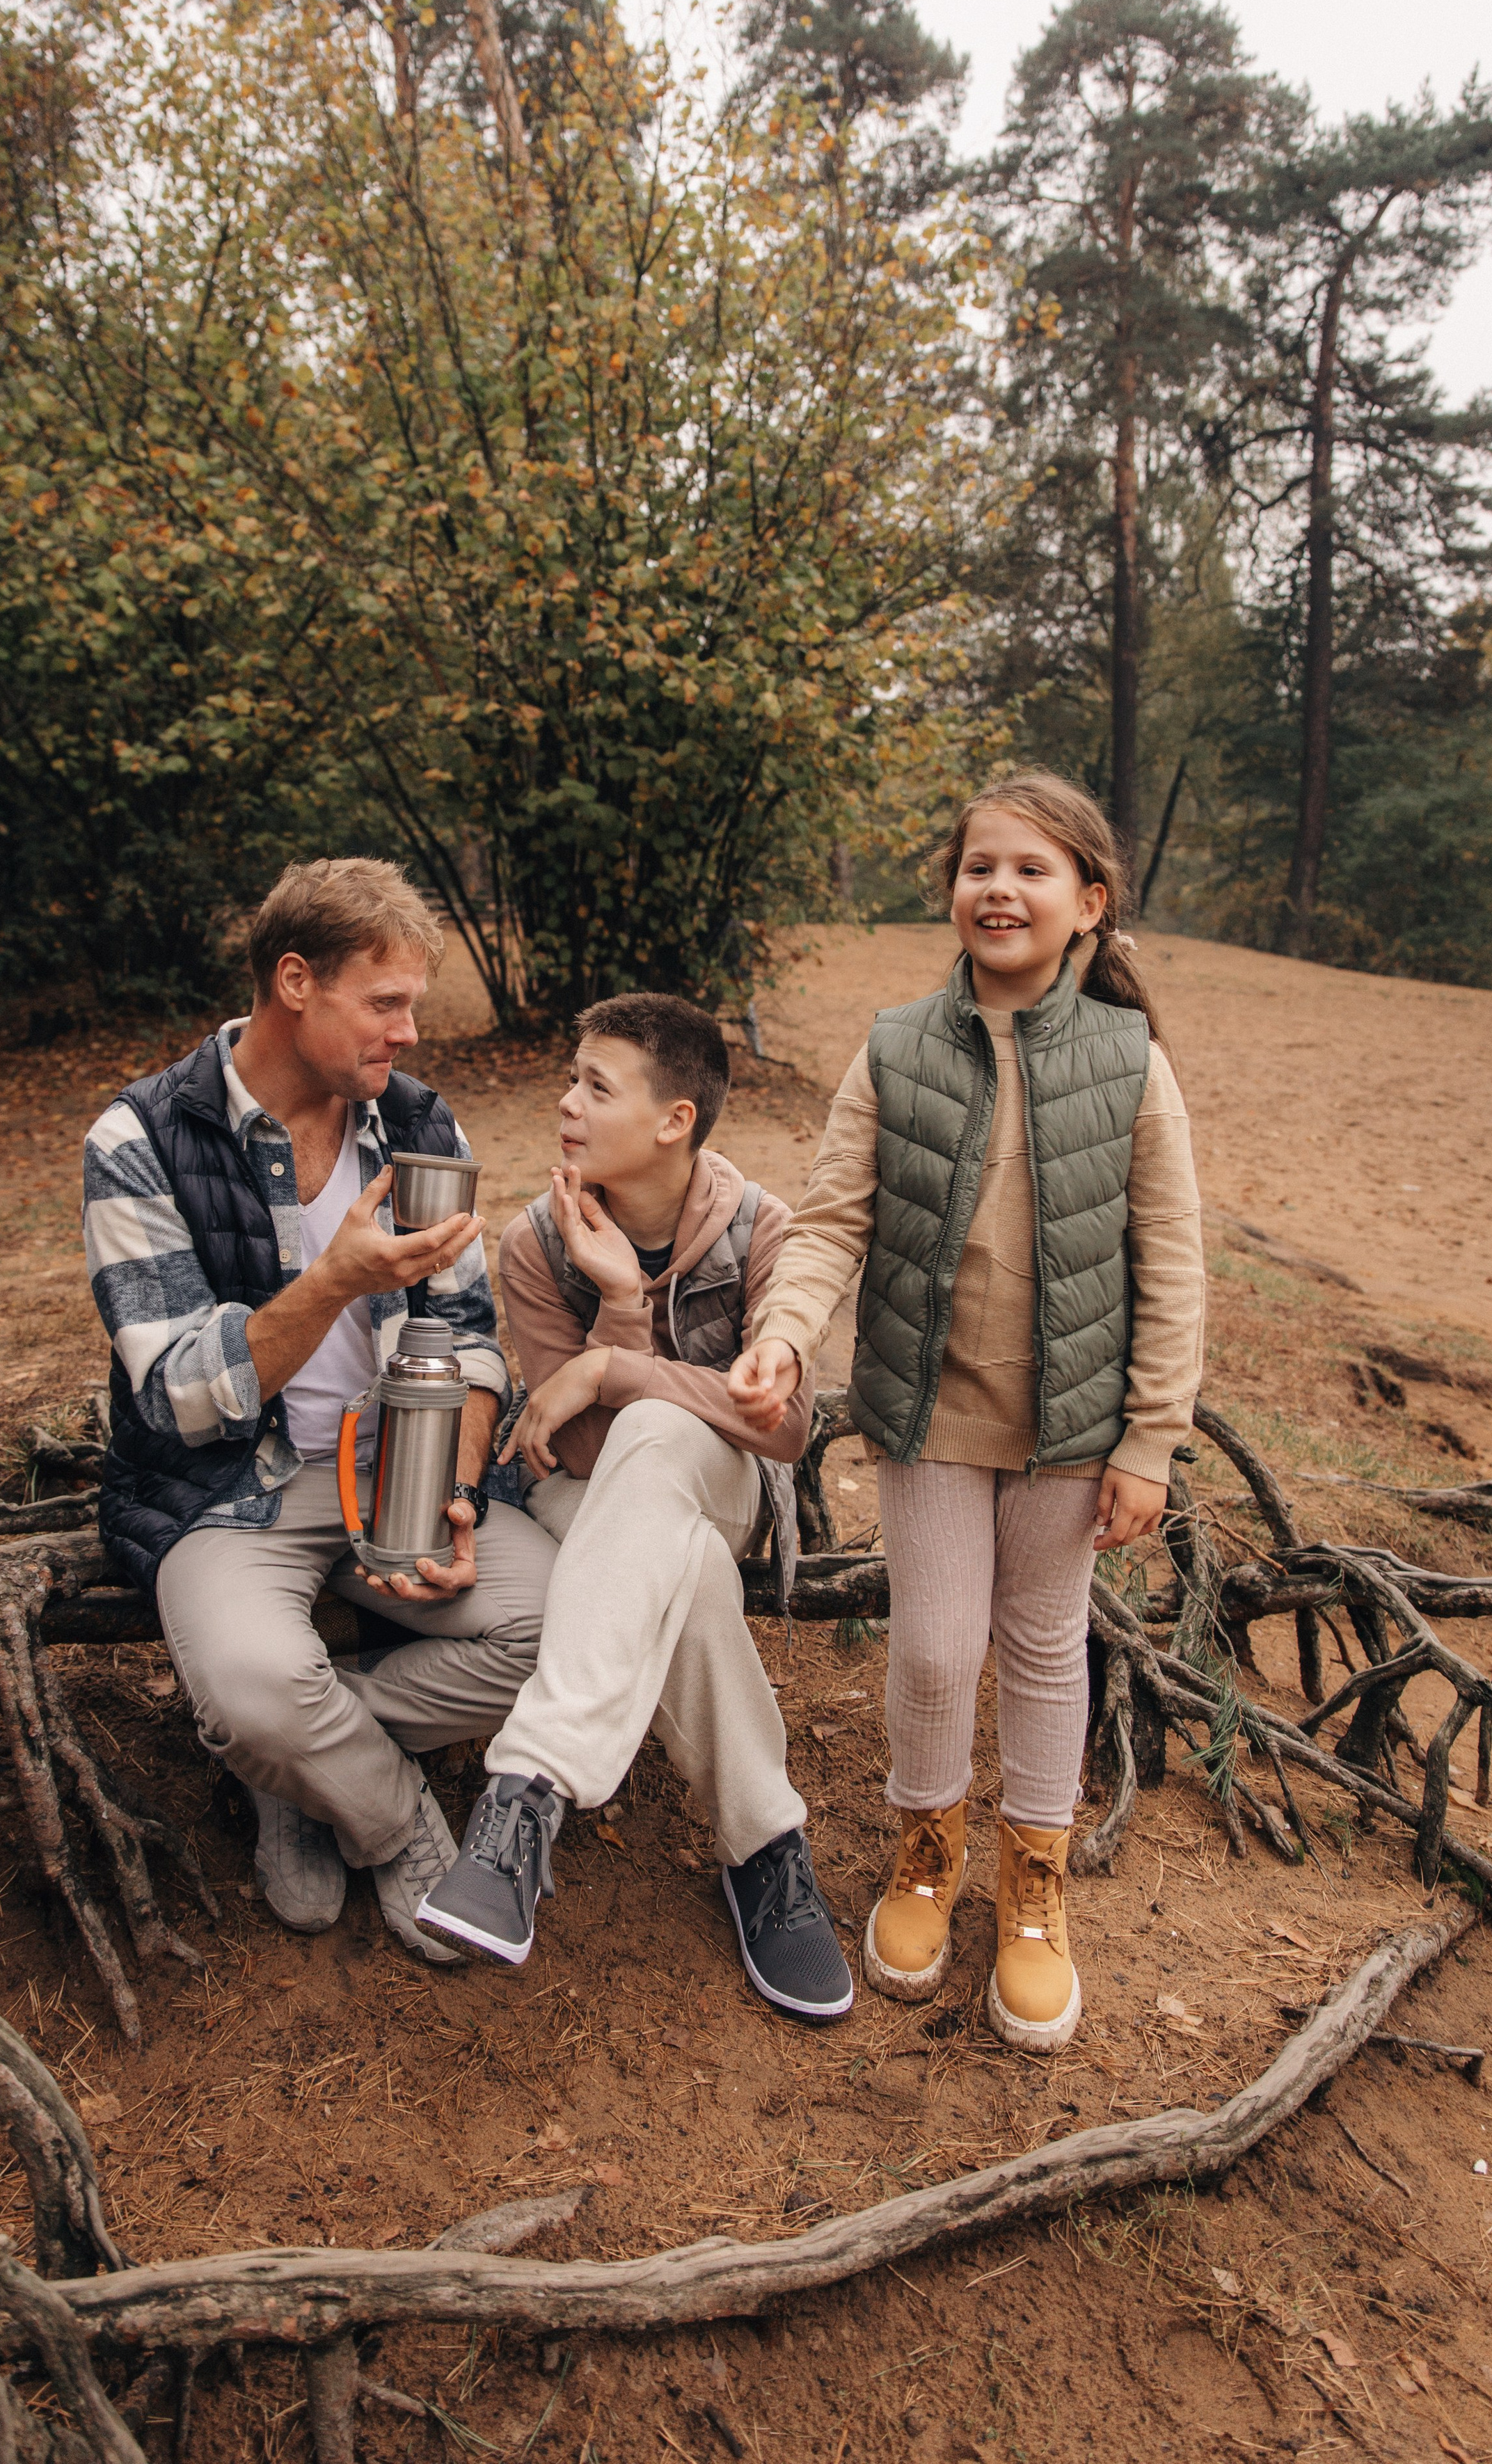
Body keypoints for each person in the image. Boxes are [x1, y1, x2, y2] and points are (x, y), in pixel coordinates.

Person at [727, 772, 1205, 2052]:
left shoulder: (1130, 1063)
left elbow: (1172, 1260)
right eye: (978, 867)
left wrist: (1150, 1438)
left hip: (1076, 1423)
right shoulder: (896, 1048)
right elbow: (831, 1222)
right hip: (930, 1405)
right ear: (952, 891)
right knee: (937, 1648)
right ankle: (927, 1849)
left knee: (1046, 1643)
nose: (999, 888)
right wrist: (782, 1334)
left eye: (1031, 870)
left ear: (1088, 903)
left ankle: (1035, 1889)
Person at [83, 858, 557, 1963]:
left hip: (398, 1469)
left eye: (413, 1006)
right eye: (386, 1003)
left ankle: (298, 1761)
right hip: (223, 1494)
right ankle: (392, 1822)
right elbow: (177, 1395)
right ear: (294, 982)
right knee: (252, 1686)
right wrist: (334, 1279)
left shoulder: (419, 1124)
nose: (410, 1033)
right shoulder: (141, 1137)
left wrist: (448, 1486)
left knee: (568, 1630)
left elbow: (474, 1338)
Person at [415, 994, 854, 2022]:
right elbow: (573, 1448)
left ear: (675, 1121)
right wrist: (616, 1302)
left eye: (595, 1087)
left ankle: (525, 1794)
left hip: (727, 1489)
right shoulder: (538, 1244)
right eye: (571, 1079)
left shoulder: (760, 1232)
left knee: (663, 1442)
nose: (566, 1103)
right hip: (585, 1500)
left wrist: (611, 1364)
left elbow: (783, 1431)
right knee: (686, 1568)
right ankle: (766, 1848)